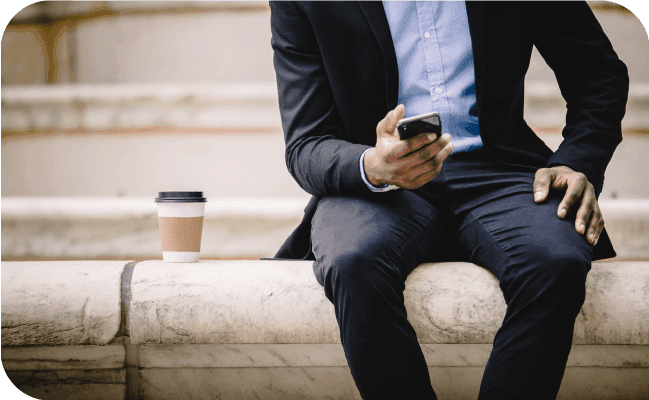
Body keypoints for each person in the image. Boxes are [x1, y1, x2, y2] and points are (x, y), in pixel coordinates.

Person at [269, 1, 629, 399]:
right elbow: (305, 143)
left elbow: (598, 73)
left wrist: (578, 161)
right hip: (379, 183)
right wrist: (372, 165)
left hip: (499, 170)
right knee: (354, 260)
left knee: (556, 259)